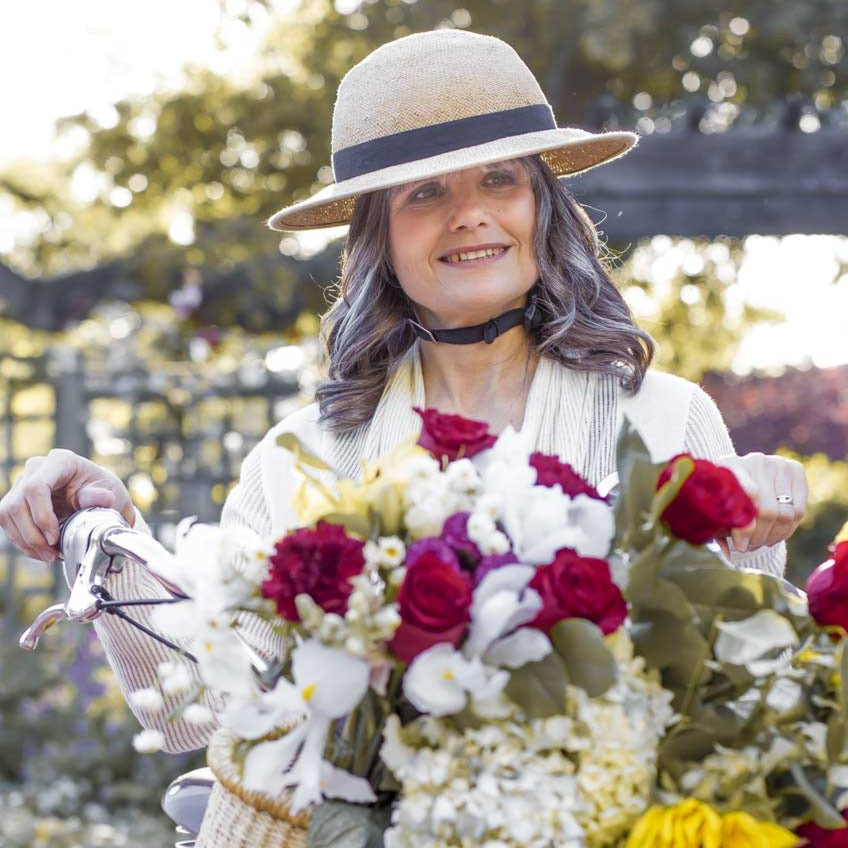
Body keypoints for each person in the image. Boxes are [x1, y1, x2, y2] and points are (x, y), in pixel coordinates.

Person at [0, 30, 807, 752]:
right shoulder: (301, 459)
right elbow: (195, 715)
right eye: (425, 194)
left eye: (499, 179)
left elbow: (749, 676)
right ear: (377, 235)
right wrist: (107, 530)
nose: (469, 215)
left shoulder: (664, 417)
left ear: (541, 204)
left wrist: (756, 524)